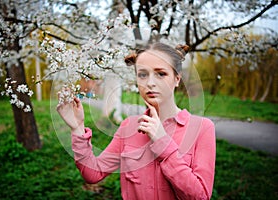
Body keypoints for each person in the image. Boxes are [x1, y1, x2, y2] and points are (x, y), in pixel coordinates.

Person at [57, 42, 216, 200]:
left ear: (177, 79)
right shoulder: (129, 126)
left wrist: (163, 143)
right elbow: (93, 173)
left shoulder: (201, 128)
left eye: (161, 74)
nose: (150, 83)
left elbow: (200, 196)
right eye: (143, 75)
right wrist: (77, 128)